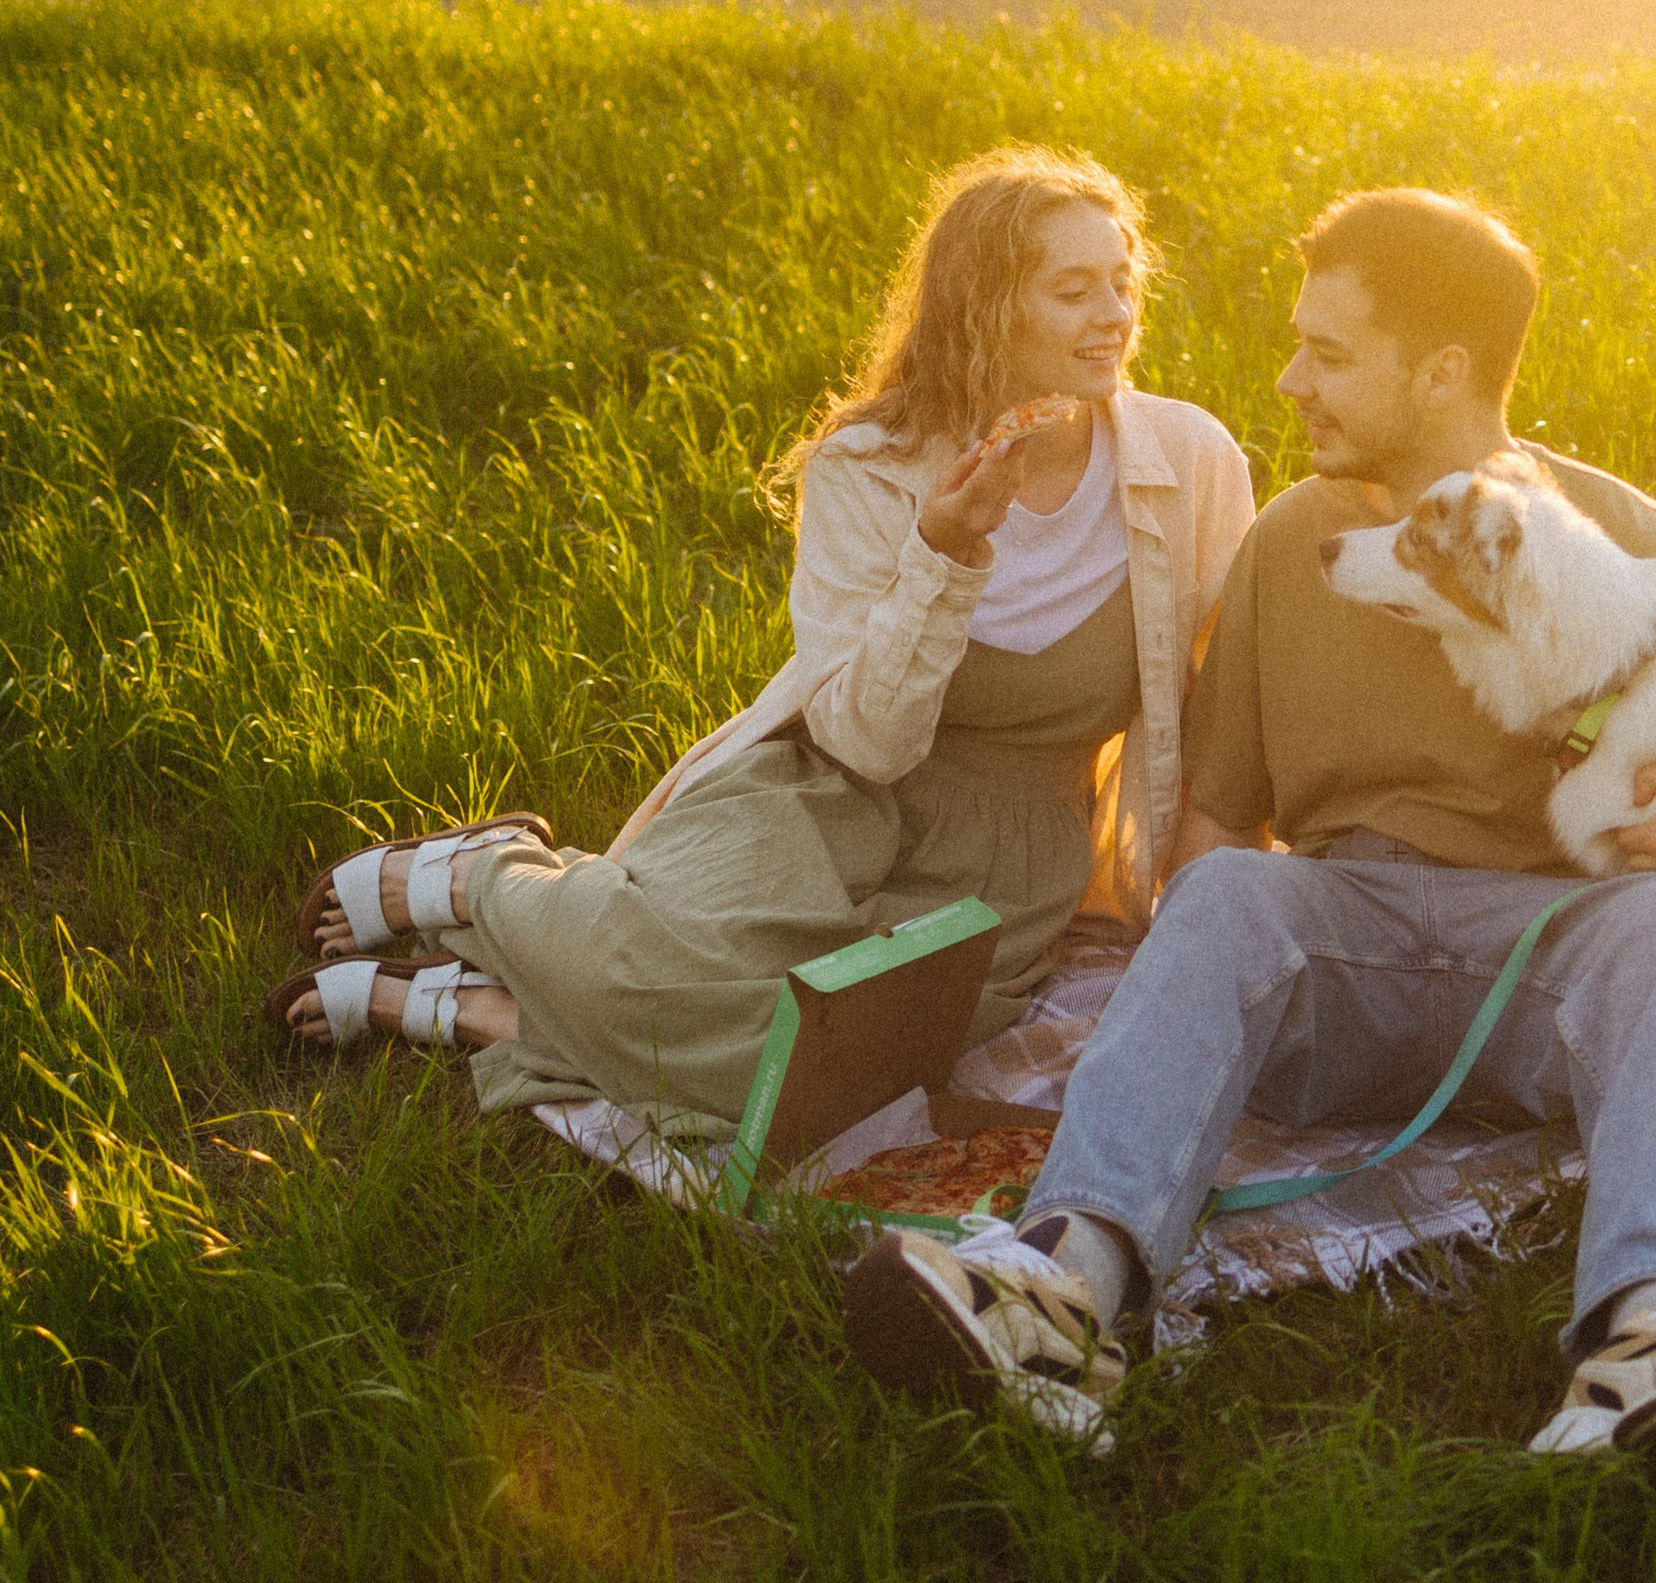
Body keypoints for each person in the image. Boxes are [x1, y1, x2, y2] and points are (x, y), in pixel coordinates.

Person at [836, 187, 1656, 1497]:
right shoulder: (1287, 546)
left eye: (1327, 353)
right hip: (1345, 952)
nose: (1288, 378)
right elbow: (1217, 816)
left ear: (1439, 375)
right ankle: (1066, 1292)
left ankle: (1653, 1336)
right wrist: (1205, 999)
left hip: (1548, 965)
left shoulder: (1595, 531)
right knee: (1224, 896)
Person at [272, 148, 1254, 1139]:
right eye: (1075, 290)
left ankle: (476, 1007)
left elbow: (1222, 701)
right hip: (828, 794)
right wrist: (944, 554)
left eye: (1124, 283)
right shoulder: (867, 468)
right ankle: (473, 878)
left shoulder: (1189, 460)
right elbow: (870, 743)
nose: (1116, 315)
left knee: (819, 1075)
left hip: (1007, 853)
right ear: (987, 309)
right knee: (658, 975)